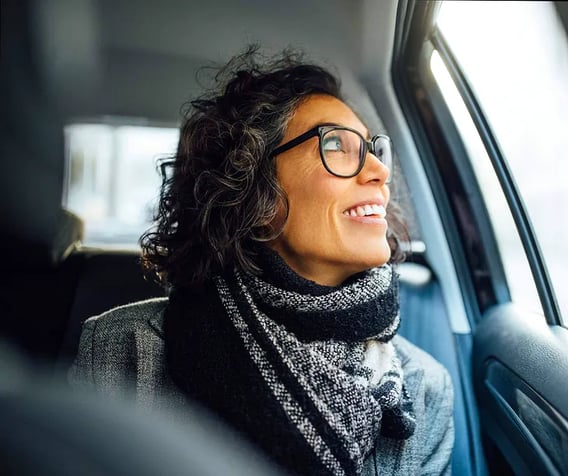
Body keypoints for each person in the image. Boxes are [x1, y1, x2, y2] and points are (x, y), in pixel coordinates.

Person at [69, 47, 454, 476]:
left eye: (372, 149)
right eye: (337, 146)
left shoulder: (424, 386)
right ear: (254, 190)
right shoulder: (124, 349)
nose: (380, 173)